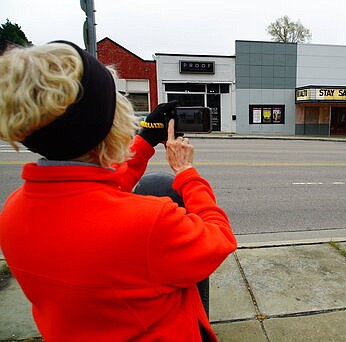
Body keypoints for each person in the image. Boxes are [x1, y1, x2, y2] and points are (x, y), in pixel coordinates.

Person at [0, 41, 237, 341]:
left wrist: (145, 141)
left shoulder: (12, 212)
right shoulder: (150, 223)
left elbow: (91, 198)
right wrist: (187, 173)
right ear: (107, 123)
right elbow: (219, 239)